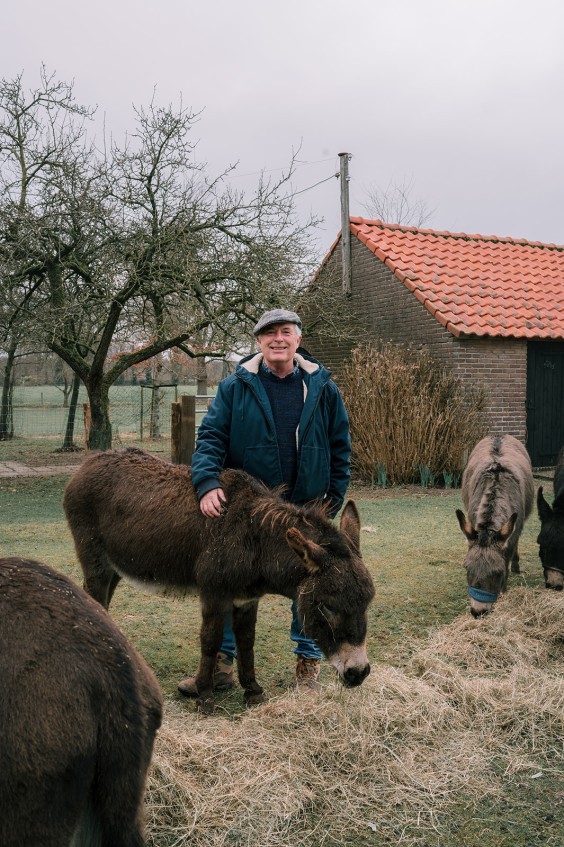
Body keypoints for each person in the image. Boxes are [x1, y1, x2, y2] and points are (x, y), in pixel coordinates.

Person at [177, 308, 351, 695]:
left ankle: (308, 662)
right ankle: (221, 663)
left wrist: (333, 498)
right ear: (258, 342)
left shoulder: (322, 387)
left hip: (307, 509)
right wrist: (206, 482)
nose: (277, 339)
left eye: (285, 332)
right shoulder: (236, 386)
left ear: (297, 339)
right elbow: (210, 439)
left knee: (311, 585)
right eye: (269, 333)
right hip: (247, 516)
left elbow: (341, 446)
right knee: (227, 583)